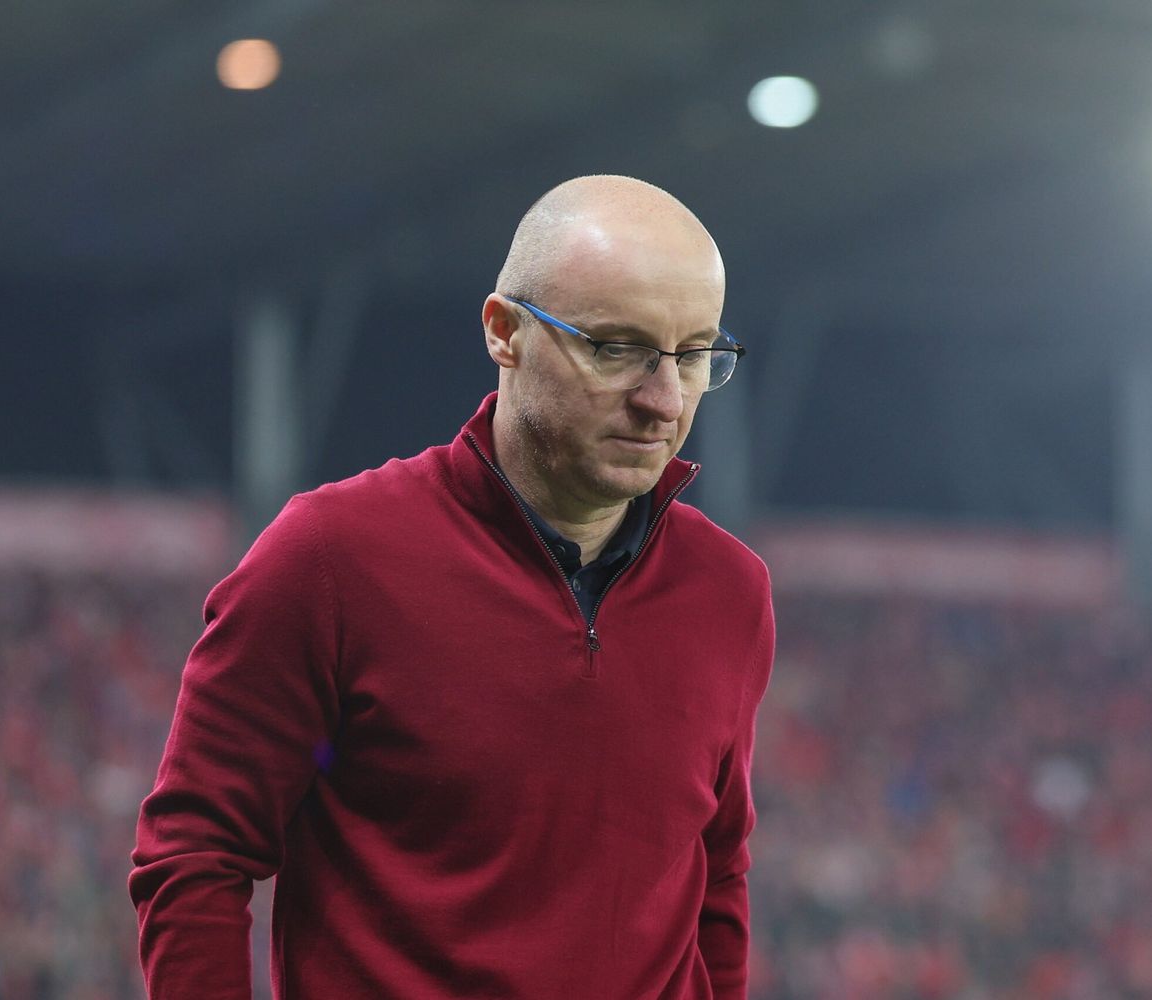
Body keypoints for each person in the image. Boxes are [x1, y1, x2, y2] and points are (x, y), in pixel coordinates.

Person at [129, 175, 776, 999]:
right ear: (504, 332)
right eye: (616, 349)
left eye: (694, 356)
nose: (663, 399)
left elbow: (715, 874)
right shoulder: (332, 558)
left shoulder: (729, 591)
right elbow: (196, 852)